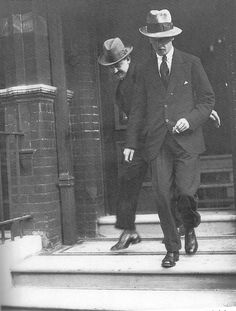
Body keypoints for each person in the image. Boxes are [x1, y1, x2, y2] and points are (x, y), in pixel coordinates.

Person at [98, 37, 220, 252]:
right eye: (111, 68)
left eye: (118, 65)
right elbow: (137, 111)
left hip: (162, 136)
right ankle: (129, 230)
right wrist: (131, 143)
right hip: (143, 140)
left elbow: (174, 95)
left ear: (127, 59)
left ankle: (180, 228)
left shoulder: (146, 70)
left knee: (173, 187)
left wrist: (204, 112)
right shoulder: (120, 86)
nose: (115, 71)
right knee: (129, 180)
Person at [124, 9, 216, 268]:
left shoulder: (191, 62)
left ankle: (189, 226)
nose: (161, 44)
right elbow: (138, 109)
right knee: (162, 196)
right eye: (156, 40)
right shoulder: (142, 69)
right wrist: (131, 142)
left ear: (173, 37)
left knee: (186, 193)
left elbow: (207, 100)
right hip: (157, 143)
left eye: (165, 39)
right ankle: (171, 248)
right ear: (149, 40)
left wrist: (191, 118)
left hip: (187, 141)